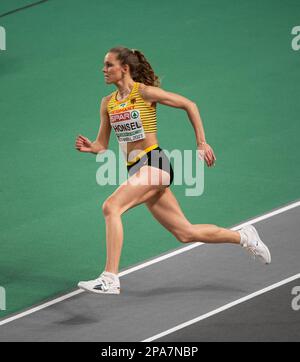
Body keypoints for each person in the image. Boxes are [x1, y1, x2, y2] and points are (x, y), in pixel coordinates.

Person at [75, 46, 271, 295]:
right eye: (104, 65)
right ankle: (244, 236)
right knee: (185, 233)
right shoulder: (107, 104)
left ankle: (110, 277)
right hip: (136, 169)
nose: (103, 70)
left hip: (155, 163)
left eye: (109, 65)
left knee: (111, 207)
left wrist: (201, 142)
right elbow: (103, 143)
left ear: (124, 68)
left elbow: (189, 104)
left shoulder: (145, 93)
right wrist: (92, 147)